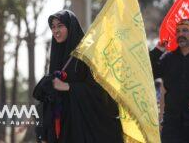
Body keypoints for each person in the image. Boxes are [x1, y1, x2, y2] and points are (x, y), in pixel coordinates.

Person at [33, 10, 123, 143]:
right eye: (53, 27)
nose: (56, 30)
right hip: (62, 126)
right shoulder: (57, 56)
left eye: (60, 26)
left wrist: (68, 87)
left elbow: (99, 91)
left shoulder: (87, 56)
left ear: (71, 27)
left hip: (83, 127)